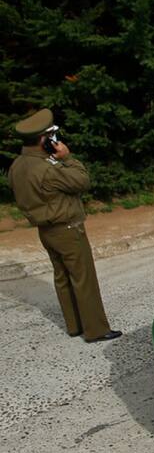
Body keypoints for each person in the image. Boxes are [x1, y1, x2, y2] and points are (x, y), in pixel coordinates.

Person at [7, 108, 122, 343]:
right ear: (44, 140)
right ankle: (96, 330)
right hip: (67, 229)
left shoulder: (17, 166)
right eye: (51, 136)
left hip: (46, 231)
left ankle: (74, 326)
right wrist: (67, 157)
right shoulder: (47, 168)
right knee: (83, 278)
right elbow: (82, 181)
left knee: (62, 277)